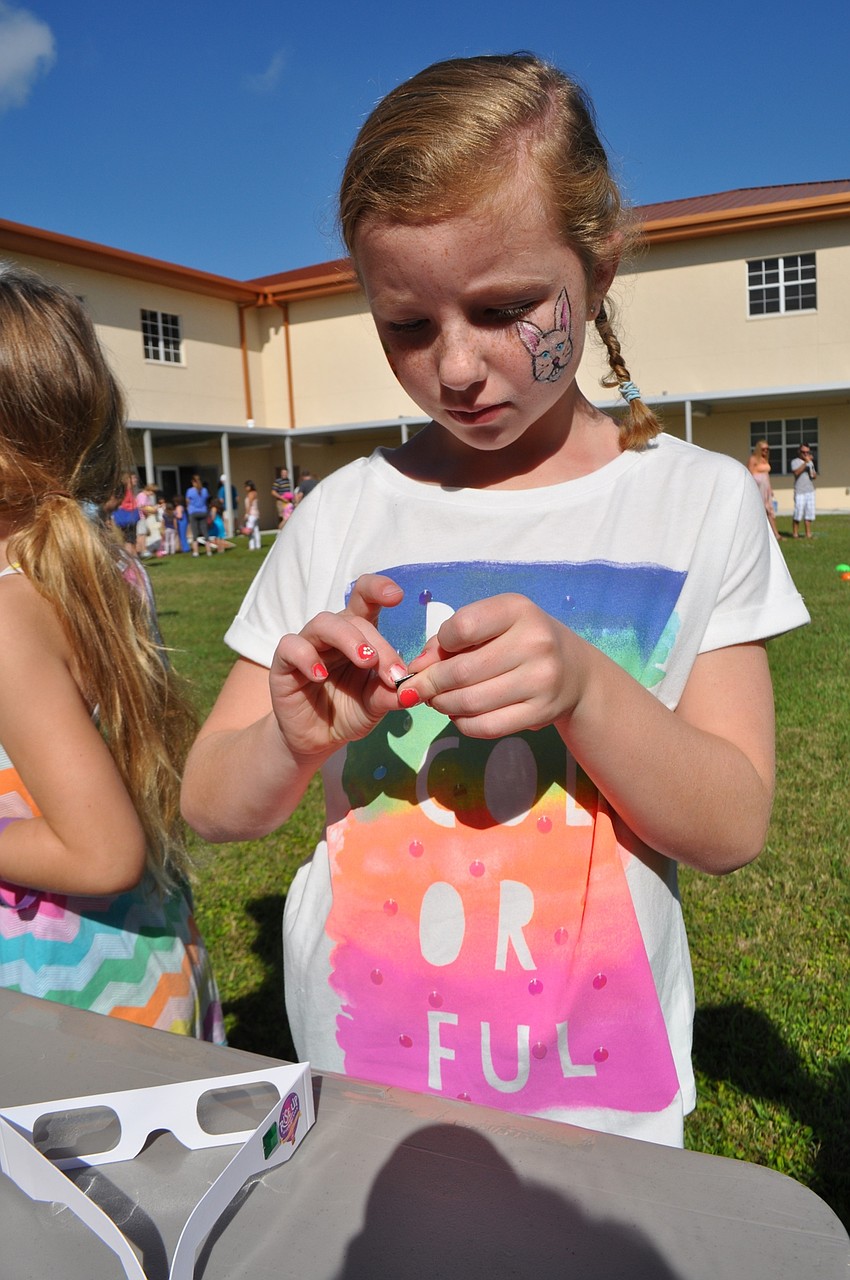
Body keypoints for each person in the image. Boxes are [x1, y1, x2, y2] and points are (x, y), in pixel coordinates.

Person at [181, 54, 809, 1145]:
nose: (455, 367)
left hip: (596, 1100)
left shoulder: (697, 504)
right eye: (407, 326)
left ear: (599, 264)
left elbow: (730, 824)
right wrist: (287, 738)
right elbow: (209, 805)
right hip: (361, 1082)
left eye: (503, 307)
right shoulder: (340, 512)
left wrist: (584, 687)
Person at [0, 262, 224, 1042]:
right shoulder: (101, 566)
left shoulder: (8, 612)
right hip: (143, 966)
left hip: (60, 1005)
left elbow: (99, 851)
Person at [747, 440, 780, 541]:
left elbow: (766, 475)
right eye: (763, 449)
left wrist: (770, 488)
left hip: (766, 488)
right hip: (758, 487)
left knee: (770, 510)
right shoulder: (753, 459)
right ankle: (758, 535)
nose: (765, 451)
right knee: (759, 510)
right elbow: (750, 474)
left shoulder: (765, 460)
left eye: (767, 449)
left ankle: (776, 534)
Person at [791, 443, 817, 539]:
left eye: (807, 452)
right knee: (798, 513)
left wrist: (812, 472)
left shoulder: (810, 462)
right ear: (799, 452)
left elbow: (814, 476)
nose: (805, 454)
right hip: (800, 491)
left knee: (809, 513)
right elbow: (796, 472)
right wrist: (805, 463)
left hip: (810, 490)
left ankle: (808, 534)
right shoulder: (795, 461)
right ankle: (795, 534)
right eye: (803, 452)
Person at [185, 473, 210, 557]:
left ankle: (196, 552)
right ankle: (208, 551)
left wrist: (188, 509)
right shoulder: (204, 490)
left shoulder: (190, 491)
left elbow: (187, 502)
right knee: (205, 532)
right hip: (203, 511)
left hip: (193, 512)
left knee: (195, 533)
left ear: (193, 481)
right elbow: (206, 500)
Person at [243, 480, 262, 551]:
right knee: (256, 530)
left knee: (249, 530)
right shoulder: (255, 493)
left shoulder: (251, 494)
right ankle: (258, 545)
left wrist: (247, 514)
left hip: (251, 513)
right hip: (256, 513)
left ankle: (252, 546)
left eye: (246, 486)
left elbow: (249, 504)